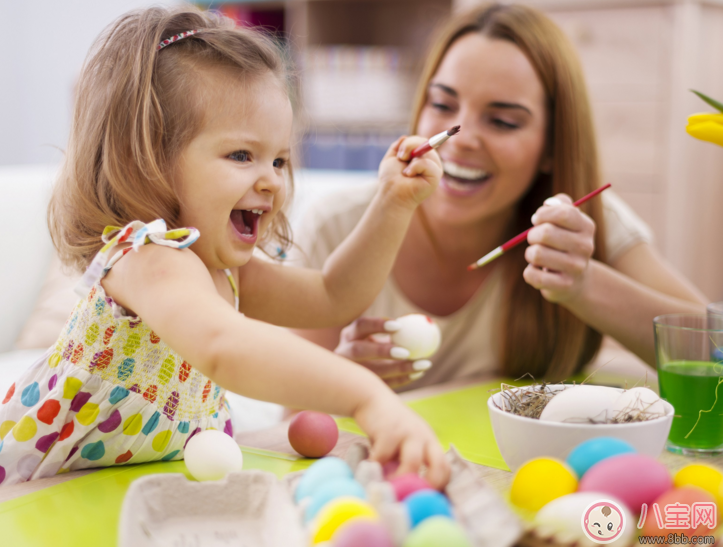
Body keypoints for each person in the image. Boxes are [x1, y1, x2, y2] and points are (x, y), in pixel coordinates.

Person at [0, 6, 450, 489]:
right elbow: (224, 346)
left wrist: (393, 203)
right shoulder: (146, 259)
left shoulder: (224, 269)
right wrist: (366, 397)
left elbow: (335, 296)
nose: (271, 180)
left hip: (135, 491)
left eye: (280, 159)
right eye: (242, 155)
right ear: (150, 160)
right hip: (35, 495)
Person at [290, 3, 707, 390]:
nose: (461, 138)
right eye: (442, 103)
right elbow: (293, 422)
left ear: (550, 148)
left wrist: (584, 284)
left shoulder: (577, 224)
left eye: (503, 121)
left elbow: (713, 354)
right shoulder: (335, 226)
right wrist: (339, 385)